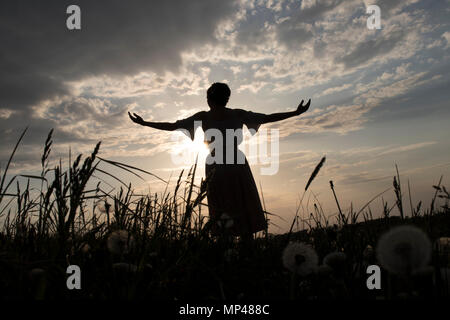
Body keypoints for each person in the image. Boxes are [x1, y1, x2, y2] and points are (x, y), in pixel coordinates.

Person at [129, 82, 311, 239]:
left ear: (209, 99)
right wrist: (295, 113)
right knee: (242, 201)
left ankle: (226, 245)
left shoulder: (204, 116)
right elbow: (267, 117)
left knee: (221, 205)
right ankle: (246, 247)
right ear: (227, 99)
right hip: (236, 162)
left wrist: (145, 123)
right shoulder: (238, 114)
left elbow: (173, 126)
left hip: (215, 164)